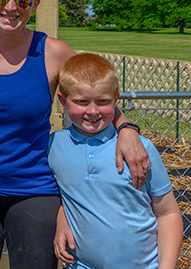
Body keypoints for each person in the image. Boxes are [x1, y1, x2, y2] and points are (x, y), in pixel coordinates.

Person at [0, 0, 151, 269]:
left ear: (34, 3)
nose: (10, 7)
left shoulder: (54, 52)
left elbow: (95, 94)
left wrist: (127, 129)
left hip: (35, 188)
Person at [50, 53, 183, 269]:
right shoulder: (53, 147)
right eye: (82, 102)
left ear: (116, 100)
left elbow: (167, 212)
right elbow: (63, 194)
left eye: (103, 102)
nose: (92, 111)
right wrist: (62, 218)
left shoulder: (140, 149)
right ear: (63, 101)